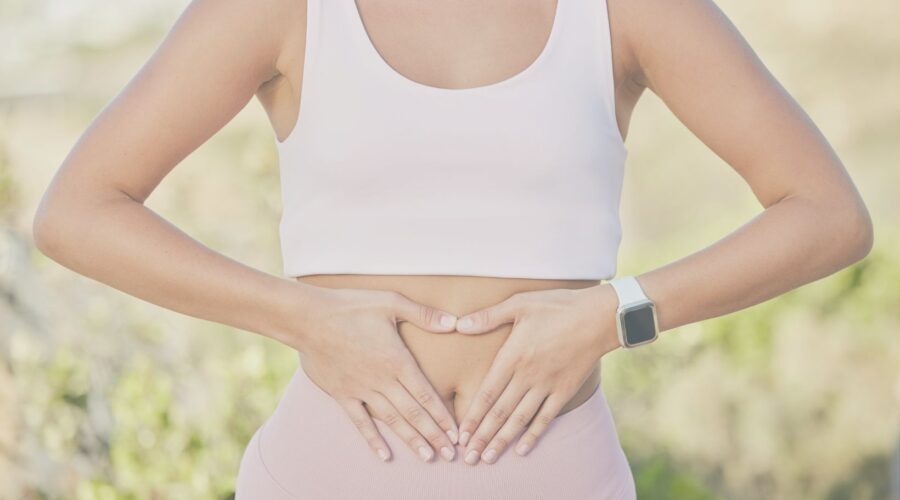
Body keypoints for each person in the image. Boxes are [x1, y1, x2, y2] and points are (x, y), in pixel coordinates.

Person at [31, 0, 873, 498]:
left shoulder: (625, 10)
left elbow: (827, 214)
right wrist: (304, 320)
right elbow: (80, 210)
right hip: (331, 474)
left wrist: (615, 314)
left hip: (556, 476)